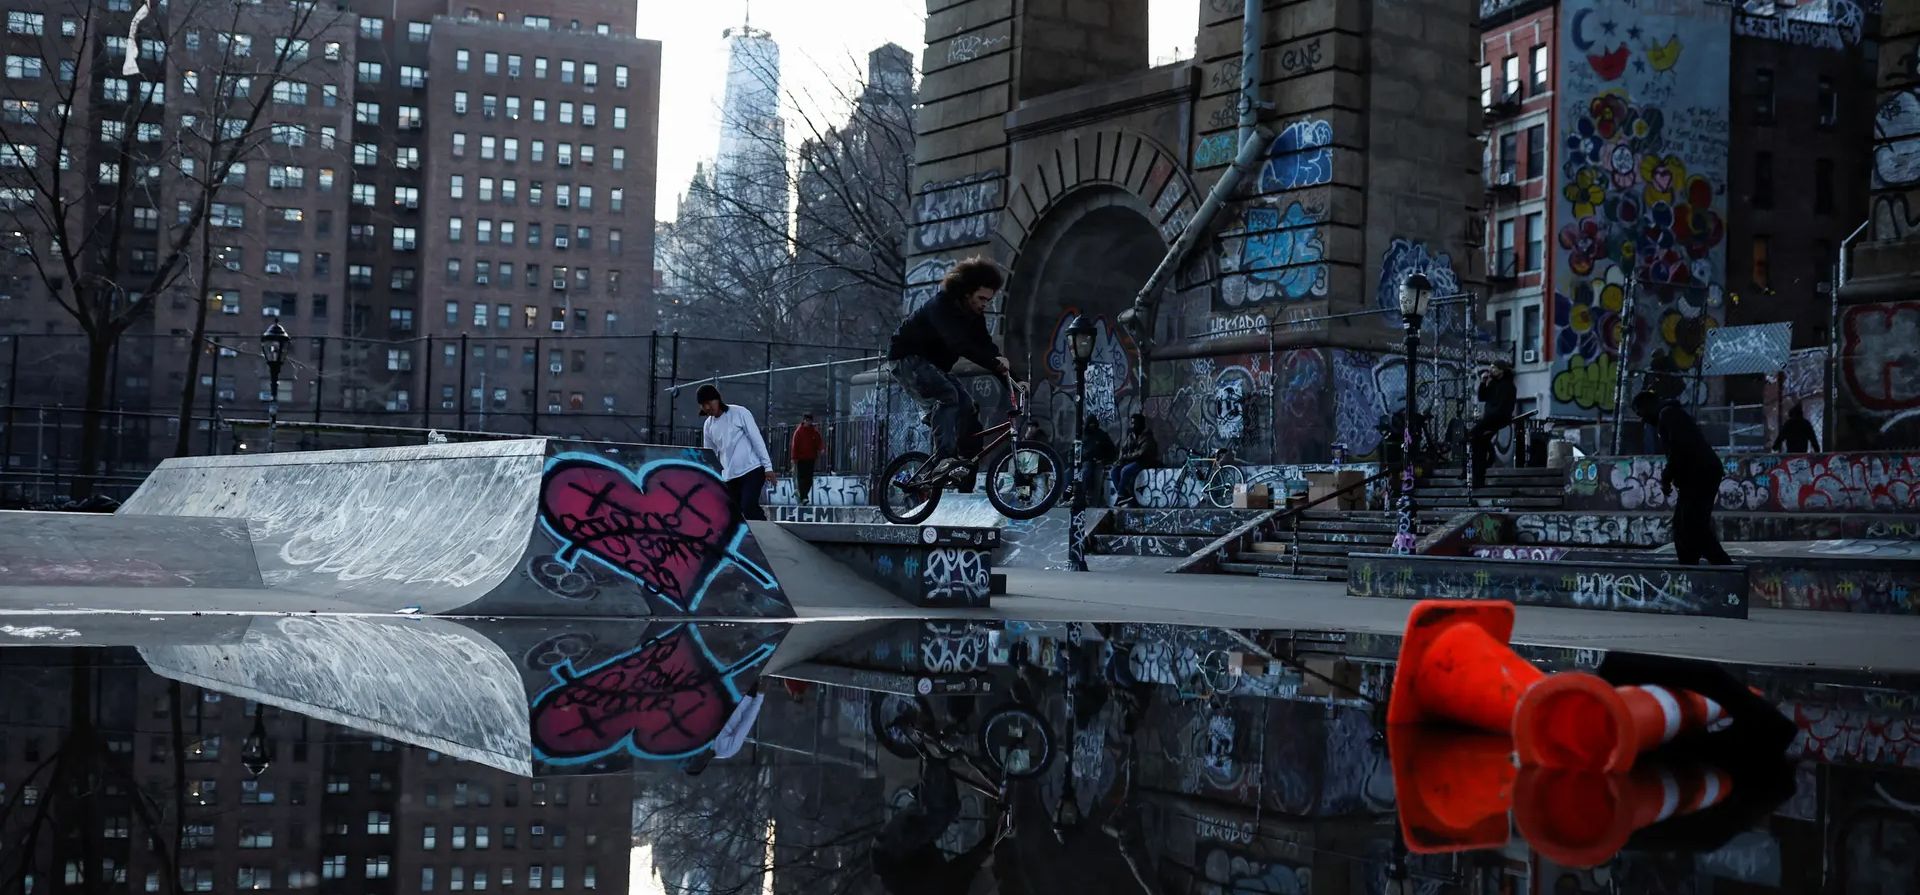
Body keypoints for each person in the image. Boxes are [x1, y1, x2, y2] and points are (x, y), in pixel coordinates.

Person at [886, 257, 1013, 480]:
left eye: (988, 300)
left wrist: (1014, 382)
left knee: (968, 408)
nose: (984, 304)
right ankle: (944, 459)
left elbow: (988, 348)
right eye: (981, 298)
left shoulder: (975, 317)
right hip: (906, 359)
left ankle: (964, 466)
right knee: (947, 396)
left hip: (935, 367)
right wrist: (993, 363)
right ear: (966, 292)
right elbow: (959, 344)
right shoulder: (940, 306)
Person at [1633, 390, 1732, 566]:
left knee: (1692, 525)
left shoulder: (1668, 415)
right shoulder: (1670, 415)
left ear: (1648, 406)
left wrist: (1666, 477)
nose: (1643, 419)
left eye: (1641, 413)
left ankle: (1723, 567)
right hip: (1699, 474)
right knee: (1684, 526)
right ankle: (1690, 566)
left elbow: (1678, 449)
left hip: (1700, 475)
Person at [697, 384, 775, 522]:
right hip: (730, 475)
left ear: (717, 400)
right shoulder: (708, 425)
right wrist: (709, 478)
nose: (708, 408)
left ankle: (768, 536)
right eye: (704, 405)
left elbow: (756, 439)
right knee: (731, 513)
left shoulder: (739, 413)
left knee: (749, 507)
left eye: (709, 403)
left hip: (752, 469)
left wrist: (768, 467)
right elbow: (710, 454)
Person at [1469, 361, 1517, 488]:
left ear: (1501, 370)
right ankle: (1476, 476)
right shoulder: (1493, 384)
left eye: (1494, 369)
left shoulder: (1508, 386)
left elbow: (1503, 407)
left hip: (1497, 419)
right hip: (1489, 419)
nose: (1491, 371)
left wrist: (1489, 421)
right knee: (1478, 445)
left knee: (1474, 438)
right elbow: (1482, 397)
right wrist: (1483, 383)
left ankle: (1476, 475)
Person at [1110, 413, 1159, 508]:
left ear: (1140, 424)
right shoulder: (1131, 436)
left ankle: (1120, 496)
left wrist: (1126, 457)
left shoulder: (1147, 437)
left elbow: (1141, 453)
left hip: (1144, 462)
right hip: (1132, 461)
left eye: (1134, 423)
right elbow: (1123, 448)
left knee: (1125, 470)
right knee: (1114, 471)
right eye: (1131, 423)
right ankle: (1125, 495)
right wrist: (1120, 460)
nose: (1132, 426)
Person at [1081, 414, 1117, 507]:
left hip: (1099, 463)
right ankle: (1083, 497)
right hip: (1086, 463)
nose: (1092, 426)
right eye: (1090, 424)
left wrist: (1105, 460)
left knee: (1097, 481)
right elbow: (1075, 451)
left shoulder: (1101, 435)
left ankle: (1094, 503)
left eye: (1093, 424)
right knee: (1085, 472)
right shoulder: (1083, 436)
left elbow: (1112, 451)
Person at [789, 413, 823, 505]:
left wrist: (821, 448)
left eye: (810, 421)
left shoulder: (813, 431)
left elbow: (818, 441)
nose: (809, 422)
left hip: (811, 458)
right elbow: (794, 446)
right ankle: (804, 497)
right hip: (801, 458)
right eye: (807, 421)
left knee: (809, 479)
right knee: (802, 478)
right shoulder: (799, 432)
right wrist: (794, 458)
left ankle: (802, 495)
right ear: (804, 420)